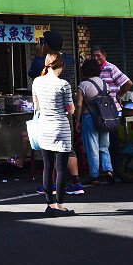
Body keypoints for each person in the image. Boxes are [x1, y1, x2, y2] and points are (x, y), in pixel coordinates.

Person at [31, 31, 83, 197]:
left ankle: (51, 187)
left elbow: (33, 74)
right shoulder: (69, 60)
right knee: (68, 147)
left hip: (48, 113)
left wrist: (39, 55)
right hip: (65, 112)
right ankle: (75, 181)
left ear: (45, 45)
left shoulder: (43, 63)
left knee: (50, 150)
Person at [32, 51, 76, 215]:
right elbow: (70, 110)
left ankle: (49, 205)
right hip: (60, 129)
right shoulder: (63, 84)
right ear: (62, 66)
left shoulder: (36, 81)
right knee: (61, 168)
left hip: (44, 127)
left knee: (47, 167)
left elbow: (36, 106)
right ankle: (60, 205)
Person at [76, 59, 115, 185]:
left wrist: (78, 121)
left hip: (89, 118)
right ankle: (108, 169)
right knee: (104, 146)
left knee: (92, 147)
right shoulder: (105, 84)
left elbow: (79, 105)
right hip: (105, 118)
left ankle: (94, 176)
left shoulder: (83, 85)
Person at [92, 44, 133, 153]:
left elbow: (128, 83)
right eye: (94, 56)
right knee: (105, 141)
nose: (96, 58)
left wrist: (118, 95)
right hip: (101, 110)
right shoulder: (96, 70)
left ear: (104, 55)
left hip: (112, 110)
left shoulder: (111, 68)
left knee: (113, 139)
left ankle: (116, 164)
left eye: (98, 55)